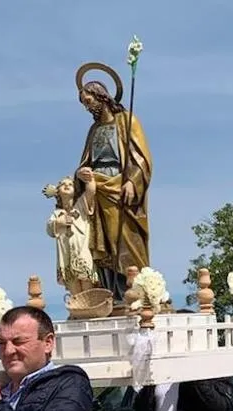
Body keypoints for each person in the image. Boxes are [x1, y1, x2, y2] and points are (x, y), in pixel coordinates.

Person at [76, 78, 153, 301]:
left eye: (88, 101)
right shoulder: (93, 130)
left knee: (125, 238)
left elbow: (142, 158)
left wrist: (132, 181)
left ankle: (136, 288)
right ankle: (111, 291)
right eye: (84, 103)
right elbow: (86, 162)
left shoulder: (126, 120)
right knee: (103, 243)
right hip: (96, 188)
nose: (87, 107)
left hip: (119, 185)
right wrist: (81, 173)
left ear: (101, 97)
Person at [43, 175, 99, 295]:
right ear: (57, 191)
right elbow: (49, 230)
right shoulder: (57, 213)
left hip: (82, 250)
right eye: (63, 184)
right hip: (66, 253)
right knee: (73, 286)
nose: (67, 185)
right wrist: (59, 222)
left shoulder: (81, 205)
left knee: (86, 280)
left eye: (70, 184)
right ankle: (77, 305)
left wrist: (89, 179)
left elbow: (91, 192)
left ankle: (89, 304)